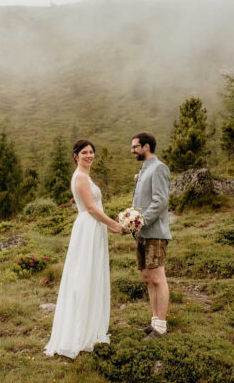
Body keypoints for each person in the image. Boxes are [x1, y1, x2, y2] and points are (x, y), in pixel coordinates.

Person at [44, 139, 125, 359]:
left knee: (92, 274)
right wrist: (114, 225)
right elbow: (90, 208)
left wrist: (109, 225)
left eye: (91, 152)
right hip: (88, 228)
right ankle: (79, 331)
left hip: (94, 228)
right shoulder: (80, 177)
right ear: (75, 156)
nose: (89, 155)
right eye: (84, 153)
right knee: (84, 276)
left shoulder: (85, 176)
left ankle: (91, 324)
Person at [130, 132, 172, 340]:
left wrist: (140, 221)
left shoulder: (159, 168)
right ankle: (154, 321)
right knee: (147, 278)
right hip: (142, 233)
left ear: (146, 147)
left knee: (157, 277)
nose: (132, 151)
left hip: (154, 232)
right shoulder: (144, 169)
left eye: (135, 147)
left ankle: (161, 327)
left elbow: (160, 201)